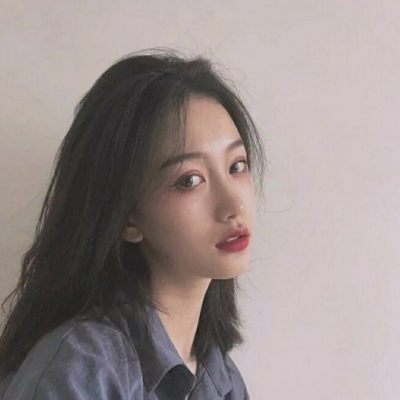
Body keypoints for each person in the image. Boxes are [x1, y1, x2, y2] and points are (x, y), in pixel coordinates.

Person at [0, 48, 266, 399]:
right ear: (127, 217)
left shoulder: (220, 377)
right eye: (189, 180)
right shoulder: (81, 369)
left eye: (236, 166)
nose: (234, 205)